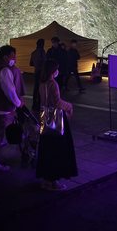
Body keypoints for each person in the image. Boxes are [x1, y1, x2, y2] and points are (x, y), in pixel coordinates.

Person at [37, 59, 78, 190]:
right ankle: (53, 181)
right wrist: (69, 106)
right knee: (57, 149)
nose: (58, 71)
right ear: (53, 71)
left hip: (45, 118)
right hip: (56, 120)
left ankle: (46, 178)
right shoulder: (53, 84)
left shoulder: (42, 83)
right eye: (57, 69)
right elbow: (57, 102)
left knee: (47, 149)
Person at [0, 46, 24, 171]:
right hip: (0, 108)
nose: (15, 59)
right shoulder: (4, 70)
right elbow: (10, 90)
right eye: (13, 56)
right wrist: (18, 103)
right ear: (6, 57)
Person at [29, 38, 46, 112]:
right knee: (41, 88)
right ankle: (39, 104)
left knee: (35, 88)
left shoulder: (33, 52)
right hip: (41, 72)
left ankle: (34, 104)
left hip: (36, 71)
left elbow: (31, 63)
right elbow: (45, 62)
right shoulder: (43, 52)